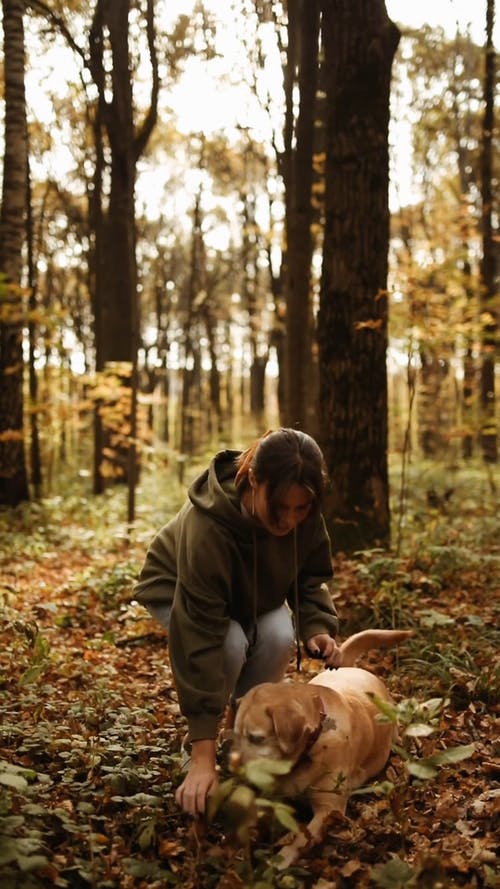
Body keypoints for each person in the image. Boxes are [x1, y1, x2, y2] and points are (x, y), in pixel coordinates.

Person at [133, 428, 341, 818]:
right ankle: (204, 743)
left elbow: (309, 576)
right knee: (229, 643)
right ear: (253, 481)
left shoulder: (304, 513)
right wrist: (201, 756)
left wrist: (316, 626)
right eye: (280, 508)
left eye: (301, 510)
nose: (289, 520)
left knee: (280, 635)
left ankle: (241, 733)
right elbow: (200, 637)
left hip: (250, 593)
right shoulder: (208, 527)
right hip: (180, 588)